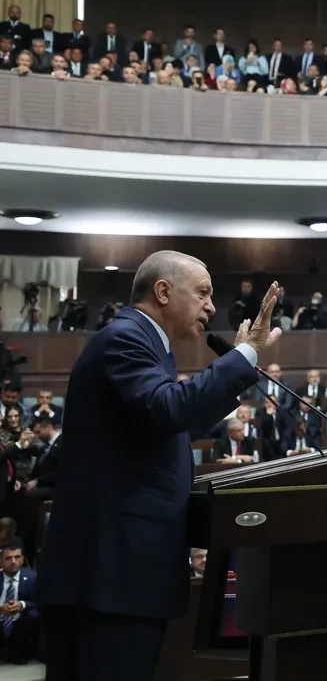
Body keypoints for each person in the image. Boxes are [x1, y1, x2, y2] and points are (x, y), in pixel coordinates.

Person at [41, 252, 281, 680]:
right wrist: (245, 354)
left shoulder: (148, 347)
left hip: (123, 578)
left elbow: (166, 426)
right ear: (164, 292)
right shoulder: (125, 338)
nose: (211, 307)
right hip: (109, 578)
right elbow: (169, 409)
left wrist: (241, 366)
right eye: (203, 293)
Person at [0, 545, 38, 664]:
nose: (13, 561)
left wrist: (22, 605)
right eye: (8, 558)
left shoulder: (33, 577)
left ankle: (21, 653)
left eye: (17, 557)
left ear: (22, 559)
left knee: (33, 615)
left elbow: (38, 601)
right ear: (0, 562)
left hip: (21, 621)